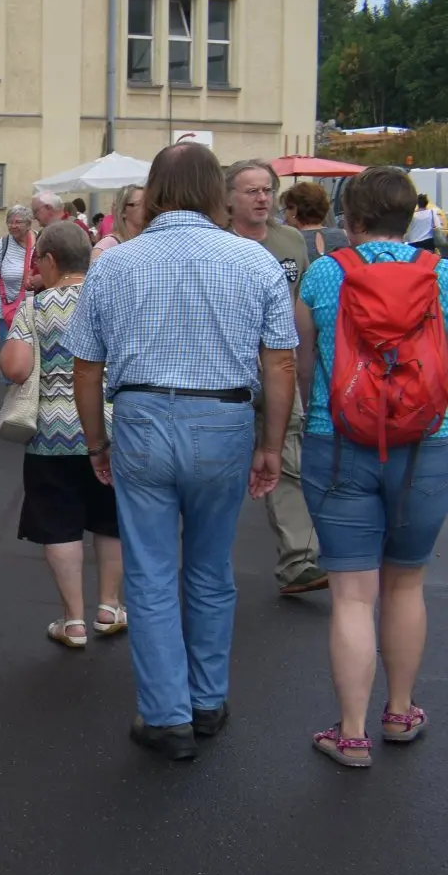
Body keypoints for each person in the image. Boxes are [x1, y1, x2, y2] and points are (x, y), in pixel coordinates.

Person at [65, 140, 298, 762]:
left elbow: (85, 367)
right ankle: (207, 699)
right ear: (216, 193)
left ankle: (166, 715)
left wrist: (96, 441)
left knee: (148, 571)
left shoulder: (114, 263)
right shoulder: (253, 260)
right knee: (210, 568)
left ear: (158, 192)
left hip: (141, 417)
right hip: (224, 418)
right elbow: (279, 363)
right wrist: (271, 444)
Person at [292, 166, 448, 766]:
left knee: (354, 596)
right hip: (427, 442)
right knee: (406, 582)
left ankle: (352, 733)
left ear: (350, 219)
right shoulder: (440, 275)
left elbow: (304, 360)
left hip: (339, 440)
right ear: (410, 217)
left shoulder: (324, 274)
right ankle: (401, 710)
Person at [0, 221, 125, 647]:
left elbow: (16, 368)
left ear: (51, 260)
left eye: (39, 261)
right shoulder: (113, 300)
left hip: (53, 434)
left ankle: (73, 621)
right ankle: (109, 606)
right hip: (111, 428)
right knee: (110, 520)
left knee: (59, 524)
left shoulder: (36, 307)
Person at [226, 158, 325, 595]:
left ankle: (299, 561)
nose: (263, 198)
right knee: (220, 468)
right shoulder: (216, 242)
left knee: (288, 460)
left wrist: (304, 368)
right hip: (227, 372)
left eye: (267, 190)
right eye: (252, 191)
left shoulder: (291, 241)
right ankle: (205, 564)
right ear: (229, 199)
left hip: (279, 367)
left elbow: (300, 307)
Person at [0, 205, 33, 336]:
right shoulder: (2, 245)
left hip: (37, 312)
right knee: (10, 348)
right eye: (9, 222)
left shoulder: (41, 242)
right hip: (9, 312)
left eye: (18, 222)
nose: (13, 226)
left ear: (28, 224)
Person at [282, 181, 348, 265]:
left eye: (286, 209)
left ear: (294, 210)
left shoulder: (290, 240)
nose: (284, 215)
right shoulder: (344, 235)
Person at [91, 184, 145, 258]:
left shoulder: (149, 242)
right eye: (139, 204)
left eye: (147, 204)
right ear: (123, 211)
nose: (146, 208)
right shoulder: (105, 247)